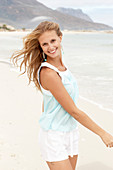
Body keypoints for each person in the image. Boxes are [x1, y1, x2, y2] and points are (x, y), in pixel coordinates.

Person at [11, 21, 113, 170]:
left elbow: (47, 102)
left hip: (70, 132)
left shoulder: (63, 68)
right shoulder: (49, 73)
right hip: (54, 136)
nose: (50, 47)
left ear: (60, 37)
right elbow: (73, 111)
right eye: (45, 44)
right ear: (40, 47)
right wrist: (103, 134)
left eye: (53, 41)